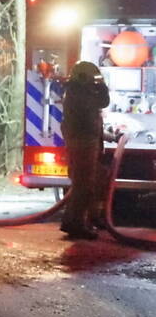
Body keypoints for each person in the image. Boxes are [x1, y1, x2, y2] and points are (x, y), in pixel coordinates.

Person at [59, 60, 110, 240]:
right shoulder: (81, 94)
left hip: (83, 143)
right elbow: (102, 104)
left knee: (95, 180)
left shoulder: (76, 91)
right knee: (84, 186)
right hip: (83, 144)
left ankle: (88, 218)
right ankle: (75, 224)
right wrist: (102, 85)